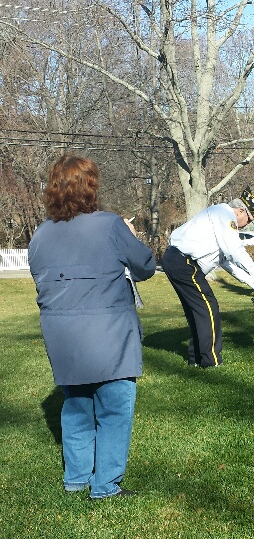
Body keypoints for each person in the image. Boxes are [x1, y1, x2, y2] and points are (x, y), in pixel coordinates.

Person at [28, 155, 156, 499]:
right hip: (109, 335)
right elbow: (145, 266)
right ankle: (105, 486)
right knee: (115, 409)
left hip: (63, 337)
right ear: (91, 187)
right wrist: (130, 234)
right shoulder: (110, 225)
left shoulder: (40, 234)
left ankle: (76, 479)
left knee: (77, 408)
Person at [161, 194, 254, 367]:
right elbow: (235, 252)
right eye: (249, 219)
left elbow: (226, 262)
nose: (248, 225)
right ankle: (211, 361)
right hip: (184, 262)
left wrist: (253, 283)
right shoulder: (224, 215)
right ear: (240, 211)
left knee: (197, 310)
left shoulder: (219, 216)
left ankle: (196, 359)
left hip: (177, 260)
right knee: (209, 308)